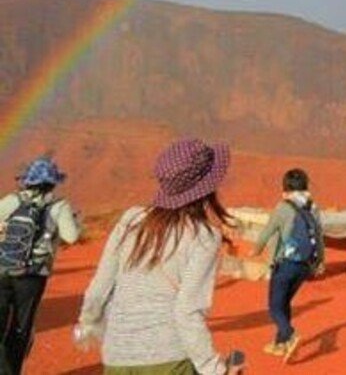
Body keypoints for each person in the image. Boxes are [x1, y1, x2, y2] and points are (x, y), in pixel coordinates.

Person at [75, 139, 244, 375]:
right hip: (170, 359)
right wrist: (214, 368)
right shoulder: (204, 236)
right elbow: (186, 310)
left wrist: (88, 323)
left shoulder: (131, 219)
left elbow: (99, 288)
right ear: (206, 188)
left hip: (117, 358)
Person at [0, 157, 80, 374]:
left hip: (3, 269)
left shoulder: (12, 200)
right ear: (53, 182)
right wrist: (76, 221)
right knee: (20, 327)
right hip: (33, 275)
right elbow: (71, 237)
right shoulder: (59, 206)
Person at [251, 168, 324, 363]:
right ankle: (279, 344)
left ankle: (290, 335)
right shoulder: (313, 207)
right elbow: (318, 236)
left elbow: (267, 231)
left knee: (274, 306)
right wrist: (320, 262)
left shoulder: (283, 207)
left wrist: (255, 250)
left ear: (286, 187)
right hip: (304, 266)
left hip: (285, 265)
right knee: (284, 303)